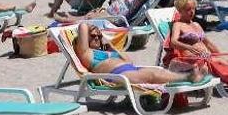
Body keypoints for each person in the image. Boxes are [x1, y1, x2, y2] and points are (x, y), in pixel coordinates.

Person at [73, 22, 205, 83]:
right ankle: (188, 76)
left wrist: (112, 46)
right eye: (93, 35)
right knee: (152, 75)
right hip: (118, 75)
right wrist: (94, 27)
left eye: (98, 36)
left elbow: (128, 60)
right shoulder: (86, 53)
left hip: (130, 68)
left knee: (159, 71)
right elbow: (83, 26)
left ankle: (181, 73)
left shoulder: (107, 50)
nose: (97, 37)